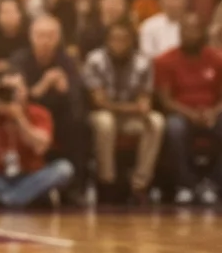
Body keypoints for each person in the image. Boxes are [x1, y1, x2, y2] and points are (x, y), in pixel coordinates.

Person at [0, 70, 74, 208]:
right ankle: (19, 198)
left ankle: (4, 198)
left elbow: (41, 147)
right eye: (7, 90)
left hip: (30, 176)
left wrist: (20, 119)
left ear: (26, 91)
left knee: (64, 169)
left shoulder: (39, 113)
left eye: (16, 90)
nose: (12, 95)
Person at [82, 21, 162, 204]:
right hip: (99, 115)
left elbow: (145, 102)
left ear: (132, 41)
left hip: (129, 118)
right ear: (107, 41)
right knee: (105, 122)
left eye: (124, 39)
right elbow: (99, 102)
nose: (119, 43)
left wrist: (136, 108)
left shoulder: (143, 62)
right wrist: (133, 107)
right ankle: (107, 182)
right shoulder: (95, 60)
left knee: (156, 122)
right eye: (114, 39)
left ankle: (140, 184)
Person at [9, 16, 87, 201]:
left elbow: (78, 98)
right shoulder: (20, 58)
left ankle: (75, 187)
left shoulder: (67, 61)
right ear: (31, 37)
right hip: (29, 116)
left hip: (59, 116)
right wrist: (44, 85)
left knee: (79, 125)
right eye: (40, 35)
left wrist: (66, 90)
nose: (45, 41)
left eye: (50, 36)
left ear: (58, 38)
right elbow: (19, 98)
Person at [156, 12, 222, 205]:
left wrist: (214, 112)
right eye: (185, 29)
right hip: (181, 114)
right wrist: (190, 114)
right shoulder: (165, 60)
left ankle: (213, 184)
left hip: (212, 113)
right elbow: (166, 100)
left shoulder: (216, 59)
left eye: (194, 29)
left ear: (202, 32)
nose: (189, 34)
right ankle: (187, 184)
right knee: (174, 128)